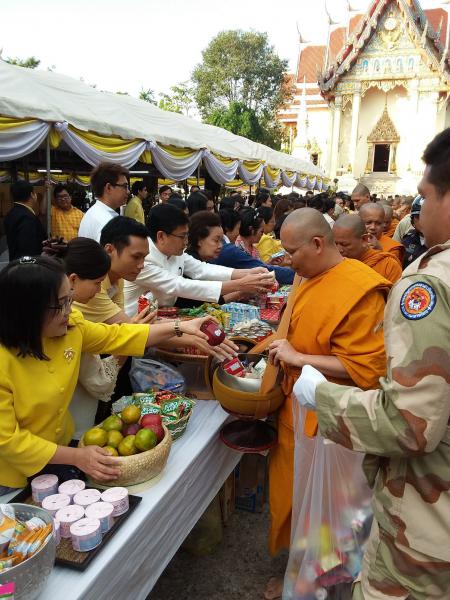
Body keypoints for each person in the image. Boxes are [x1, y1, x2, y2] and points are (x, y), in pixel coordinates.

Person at [294, 128, 450, 599]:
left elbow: (409, 422)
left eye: (425, 197)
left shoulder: (427, 283)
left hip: (429, 522)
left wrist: (318, 394)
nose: (419, 212)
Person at [0, 255, 225, 492]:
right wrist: (76, 457)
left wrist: (179, 327)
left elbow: (119, 336)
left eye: (70, 299)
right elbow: (7, 440)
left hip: (59, 452)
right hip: (11, 474)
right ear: (27, 312)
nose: (69, 310)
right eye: (61, 304)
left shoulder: (71, 328)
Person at [264, 208, 391, 600]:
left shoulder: (361, 288)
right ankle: (297, 571)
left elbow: (367, 368)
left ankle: (317, 583)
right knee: (293, 500)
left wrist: (300, 358)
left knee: (329, 513)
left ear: (318, 243)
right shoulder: (308, 275)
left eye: (291, 252)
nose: (286, 260)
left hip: (334, 422)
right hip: (296, 410)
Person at [123, 204, 273, 313]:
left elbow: (202, 269)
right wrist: (240, 285)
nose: (186, 242)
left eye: (187, 236)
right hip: (132, 324)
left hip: (158, 317)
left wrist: (249, 273)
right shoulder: (144, 258)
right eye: (182, 236)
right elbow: (180, 285)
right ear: (161, 236)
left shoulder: (175, 252)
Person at [73, 216, 150, 324]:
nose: (142, 265)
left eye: (144, 257)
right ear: (109, 250)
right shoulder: (92, 282)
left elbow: (123, 326)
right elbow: (126, 329)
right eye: (136, 257)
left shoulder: (118, 277)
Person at [333, 214, 402, 283]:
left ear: (364, 239)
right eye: (335, 244)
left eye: (344, 244)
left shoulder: (388, 265)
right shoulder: (334, 262)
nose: (339, 250)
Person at [78, 162, 129, 241]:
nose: (128, 191)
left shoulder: (93, 212)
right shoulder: (107, 222)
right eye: (124, 186)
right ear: (108, 188)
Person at [4, 181, 47, 261]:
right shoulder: (27, 217)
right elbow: (28, 249)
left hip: (15, 262)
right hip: (28, 265)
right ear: (32, 195)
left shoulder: (11, 213)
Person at [401, 195, 427, 268]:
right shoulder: (407, 239)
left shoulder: (444, 243)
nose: (422, 220)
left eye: (426, 216)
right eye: (418, 217)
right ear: (412, 220)